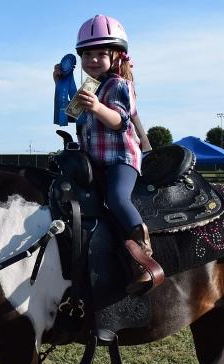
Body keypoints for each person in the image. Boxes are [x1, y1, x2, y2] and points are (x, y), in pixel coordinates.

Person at [54, 15, 163, 293]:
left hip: (120, 158)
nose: (92, 60)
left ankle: (143, 252)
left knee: (116, 197)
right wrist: (61, 84)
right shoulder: (89, 86)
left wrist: (98, 108)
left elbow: (120, 121)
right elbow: (70, 115)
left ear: (116, 57)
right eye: (87, 54)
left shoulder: (119, 85)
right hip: (93, 159)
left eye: (101, 54)